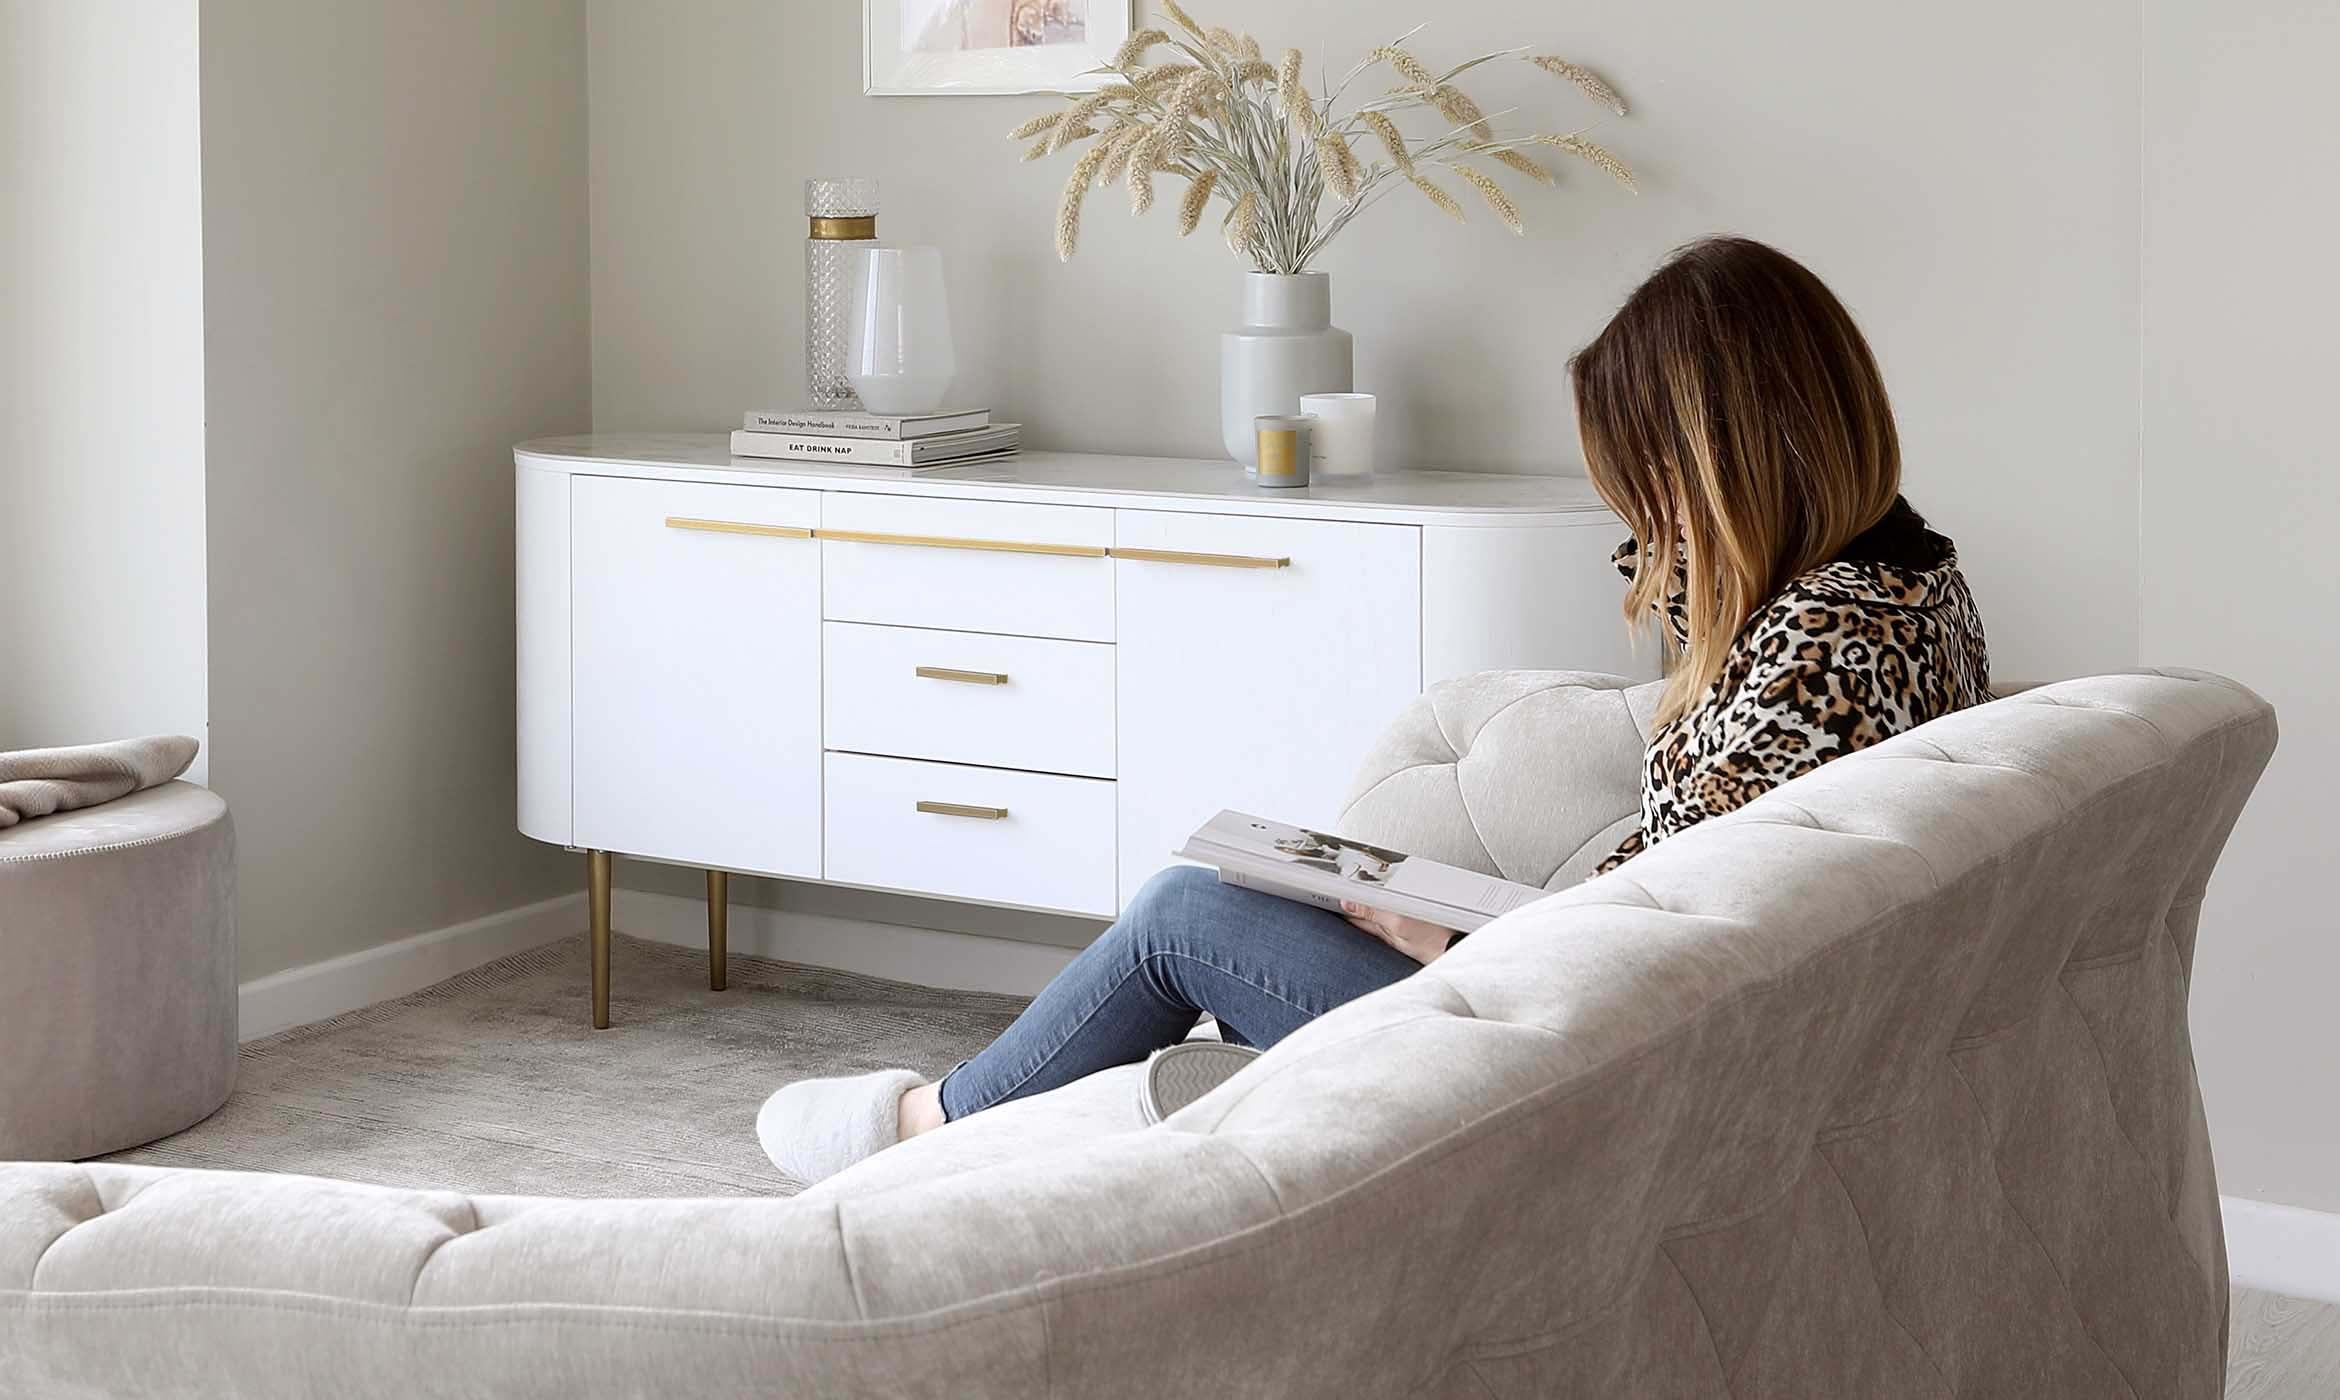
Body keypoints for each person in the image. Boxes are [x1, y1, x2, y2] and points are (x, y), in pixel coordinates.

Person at [757, 235, 1993, 1184]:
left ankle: (926, 1130)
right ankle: (1035, 1123)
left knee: (1186, 915)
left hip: (1578, 1055)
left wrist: (1447, 943)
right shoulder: (1908, 586)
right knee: (1256, 890)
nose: (1646, 520)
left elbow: (1669, 968)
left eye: (1653, 480)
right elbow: (1702, 896)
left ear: (1724, 455)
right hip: (1580, 989)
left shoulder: (1816, 650)